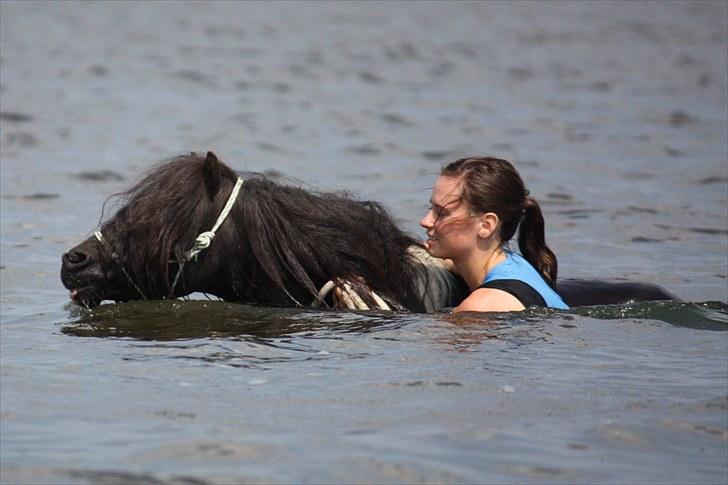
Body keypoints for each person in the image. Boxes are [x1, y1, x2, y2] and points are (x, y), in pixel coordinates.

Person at [420, 157, 569, 312]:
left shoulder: (482, 306)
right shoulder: (513, 264)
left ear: (486, 225)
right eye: (431, 208)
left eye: (442, 213)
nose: (425, 221)